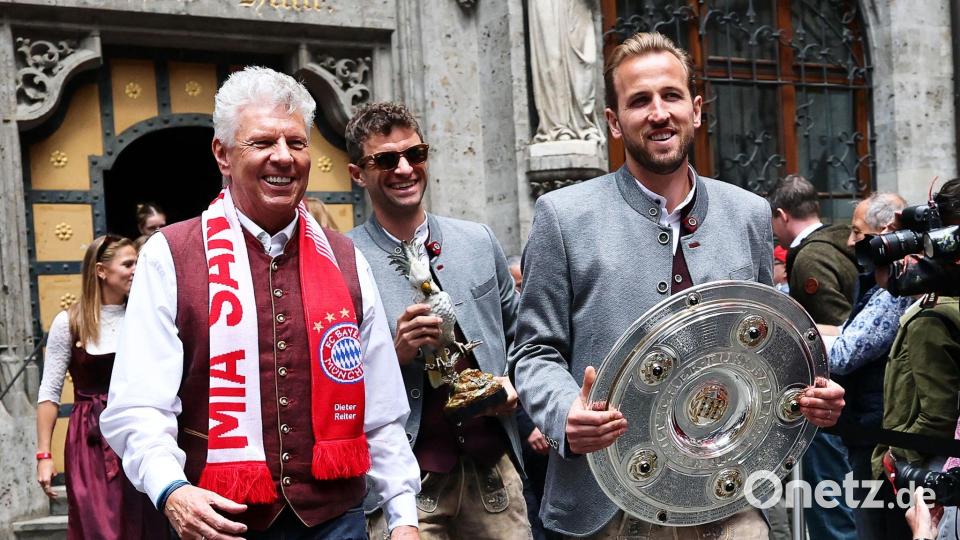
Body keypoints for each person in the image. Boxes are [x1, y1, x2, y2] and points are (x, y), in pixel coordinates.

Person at [510, 31, 846, 539]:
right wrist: (564, 414)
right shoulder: (563, 216)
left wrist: (812, 392)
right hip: (604, 505)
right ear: (613, 122)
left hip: (725, 500)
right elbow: (534, 351)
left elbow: (769, 344)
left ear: (696, 109)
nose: (658, 112)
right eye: (639, 101)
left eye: (670, 95)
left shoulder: (748, 213)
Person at [100, 67, 420, 539]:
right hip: (219, 520)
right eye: (262, 142)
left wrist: (403, 517)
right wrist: (172, 489)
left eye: (296, 142)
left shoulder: (346, 259)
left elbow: (382, 405)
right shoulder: (172, 255)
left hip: (336, 519)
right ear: (222, 154)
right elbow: (139, 403)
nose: (283, 157)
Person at [344, 102, 531, 539]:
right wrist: (395, 353)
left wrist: (513, 386)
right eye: (386, 160)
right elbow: (333, 384)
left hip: (493, 472)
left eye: (416, 154)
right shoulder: (342, 260)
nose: (405, 169)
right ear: (357, 174)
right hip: (406, 483)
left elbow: (524, 337)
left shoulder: (478, 241)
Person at [35, 234, 167, 539]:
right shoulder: (69, 323)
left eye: (138, 262)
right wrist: (44, 455)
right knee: (97, 527)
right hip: (89, 441)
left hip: (138, 431)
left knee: (144, 524)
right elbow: (49, 393)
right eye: (128, 263)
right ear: (101, 271)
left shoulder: (145, 317)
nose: (136, 269)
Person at [768, 174, 859, 540]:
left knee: (830, 511)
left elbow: (836, 331)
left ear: (781, 215)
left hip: (830, 402)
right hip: (849, 404)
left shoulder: (809, 257)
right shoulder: (840, 240)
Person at [816, 193, 912, 540]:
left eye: (857, 232)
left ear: (885, 232)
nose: (850, 241)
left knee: (875, 527)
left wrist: (799, 341)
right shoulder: (885, 283)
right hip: (871, 427)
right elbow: (848, 334)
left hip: (877, 432)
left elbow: (844, 352)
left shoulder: (896, 291)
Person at [870, 179, 960, 540]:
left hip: (924, 469)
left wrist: (894, 457)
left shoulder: (933, 318)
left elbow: (936, 412)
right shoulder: (936, 306)